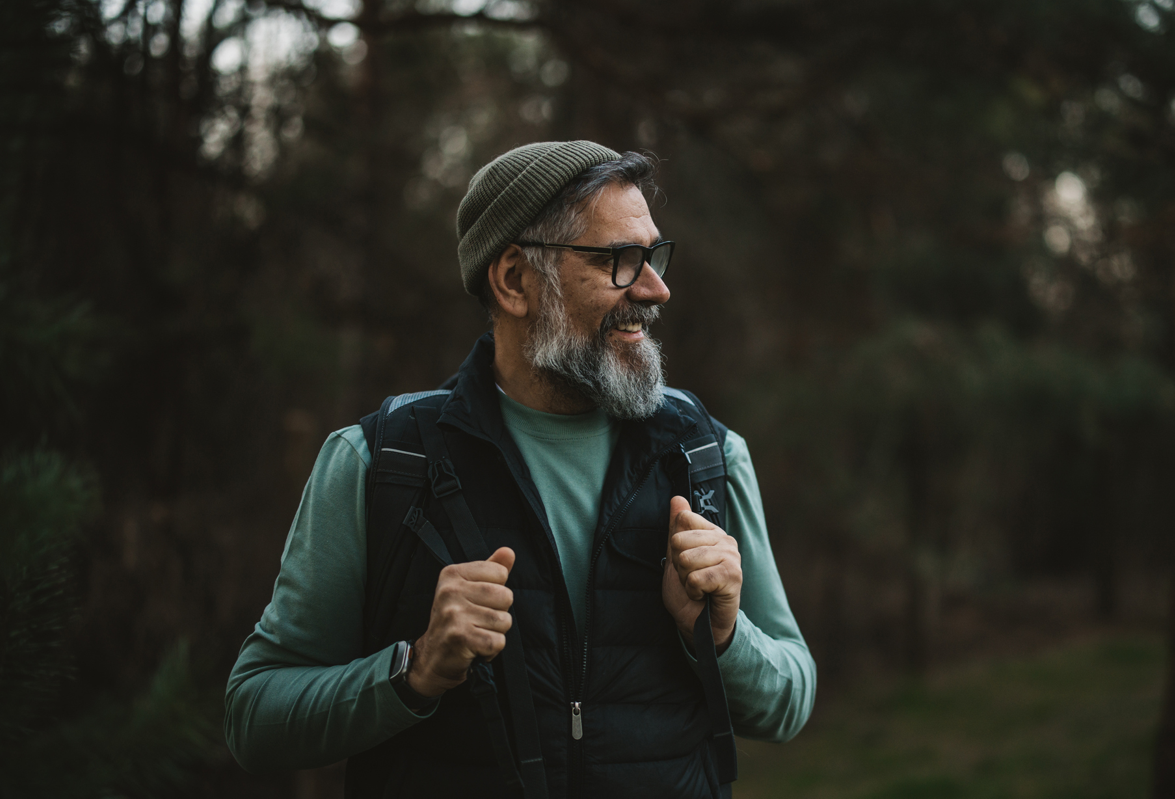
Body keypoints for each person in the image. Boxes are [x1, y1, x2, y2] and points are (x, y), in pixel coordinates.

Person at [224, 141, 815, 798]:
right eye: (620, 260)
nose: (656, 288)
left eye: (653, 255)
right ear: (513, 280)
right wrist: (413, 670)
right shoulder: (381, 460)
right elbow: (255, 718)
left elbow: (787, 702)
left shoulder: (705, 453)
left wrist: (722, 633)